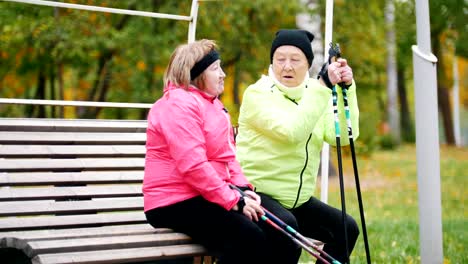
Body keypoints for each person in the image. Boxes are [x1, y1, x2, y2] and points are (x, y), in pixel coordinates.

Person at [143, 39, 277, 264]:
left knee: (278, 230)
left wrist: (242, 189)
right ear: (196, 75)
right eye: (215, 69)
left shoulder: (214, 106)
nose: (223, 74)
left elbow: (228, 157)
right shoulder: (177, 105)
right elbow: (193, 165)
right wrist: (234, 200)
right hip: (173, 202)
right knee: (247, 237)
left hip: (204, 194)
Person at [236, 29, 360, 264]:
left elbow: (342, 137)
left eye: (295, 60)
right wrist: (322, 86)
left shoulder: (315, 94)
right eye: (280, 59)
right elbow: (291, 132)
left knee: (346, 228)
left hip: (297, 201)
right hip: (256, 194)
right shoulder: (257, 95)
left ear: (308, 65)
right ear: (271, 63)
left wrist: (347, 89)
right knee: (287, 229)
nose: (287, 67)